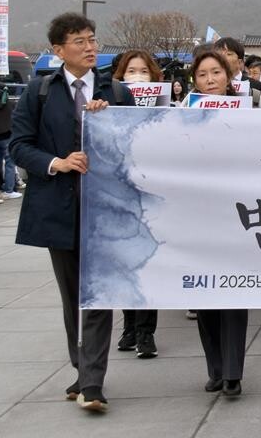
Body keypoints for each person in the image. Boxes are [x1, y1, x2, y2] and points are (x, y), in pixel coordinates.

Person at [9, 12, 135, 412]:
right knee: (72, 296)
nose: (89, 46)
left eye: (92, 39)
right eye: (78, 40)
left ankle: (92, 383)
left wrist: (108, 121)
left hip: (105, 210)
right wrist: (56, 162)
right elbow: (18, 145)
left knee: (97, 293)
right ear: (58, 50)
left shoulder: (117, 92)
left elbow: (134, 146)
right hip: (58, 208)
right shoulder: (39, 92)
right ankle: (82, 372)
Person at [188, 47, 253, 397]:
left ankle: (232, 372)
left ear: (228, 79)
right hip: (197, 217)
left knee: (233, 292)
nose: (210, 80)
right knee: (205, 295)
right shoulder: (181, 116)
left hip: (239, 215)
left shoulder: (249, 114)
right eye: (203, 74)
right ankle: (214, 368)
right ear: (194, 80)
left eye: (216, 73)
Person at [111, 50, 163, 359]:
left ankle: (146, 332)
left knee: (148, 264)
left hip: (151, 196)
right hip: (119, 196)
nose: (138, 76)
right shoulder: (109, 109)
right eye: (132, 71)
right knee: (124, 263)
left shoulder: (164, 109)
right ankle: (129, 325)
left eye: (144, 71)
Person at [213, 37, 261, 107]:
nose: (222, 57)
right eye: (218, 54)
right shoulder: (209, 85)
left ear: (240, 61)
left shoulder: (256, 87)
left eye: (228, 54)